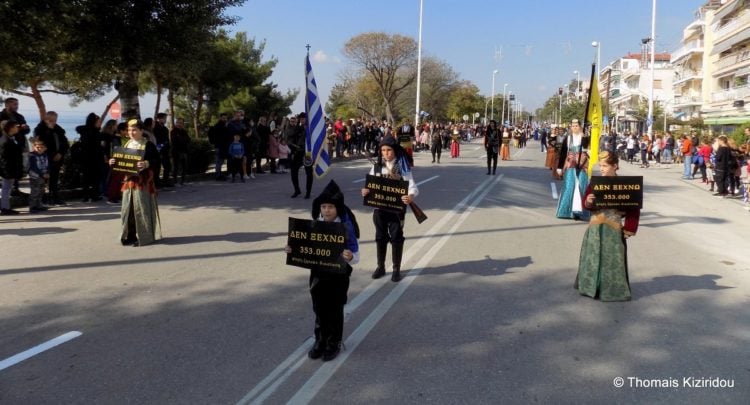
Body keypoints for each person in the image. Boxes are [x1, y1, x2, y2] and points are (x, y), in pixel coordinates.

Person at [285, 180, 359, 362]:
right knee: (319, 307)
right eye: (324, 206)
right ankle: (320, 340)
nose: (327, 210)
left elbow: (356, 255)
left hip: (338, 275)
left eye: (331, 207)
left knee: (334, 308)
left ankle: (333, 342)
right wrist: (292, 249)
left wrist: (349, 256)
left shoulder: (345, 228)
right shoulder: (314, 226)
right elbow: (304, 247)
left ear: (338, 209)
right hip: (318, 274)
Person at [575, 151, 640, 301]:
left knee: (612, 258)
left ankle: (612, 289)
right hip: (595, 226)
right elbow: (587, 201)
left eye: (605, 166)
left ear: (615, 166)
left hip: (613, 226)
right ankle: (591, 287)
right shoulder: (595, 182)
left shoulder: (625, 185)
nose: (602, 169)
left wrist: (630, 227)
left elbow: (634, 208)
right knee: (592, 255)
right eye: (601, 166)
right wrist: (589, 201)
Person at [360, 136, 419, 282]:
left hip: (396, 211)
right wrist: (365, 191)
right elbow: (370, 185)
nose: (386, 153)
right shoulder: (376, 166)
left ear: (395, 150)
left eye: (389, 150)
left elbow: (412, 187)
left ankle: (396, 269)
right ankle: (380, 266)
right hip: (379, 210)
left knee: (397, 238)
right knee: (380, 237)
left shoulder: (401, 167)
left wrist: (410, 197)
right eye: (383, 150)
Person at [109, 119, 161, 246]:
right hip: (128, 182)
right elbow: (121, 163)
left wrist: (146, 163)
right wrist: (112, 162)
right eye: (129, 130)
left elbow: (157, 161)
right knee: (128, 209)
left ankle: (145, 237)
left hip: (143, 182)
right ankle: (129, 235)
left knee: (142, 209)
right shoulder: (127, 145)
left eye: (134, 130)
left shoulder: (148, 145)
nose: (131, 132)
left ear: (141, 131)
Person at [555, 119, 590, 220]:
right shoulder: (568, 138)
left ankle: (581, 212)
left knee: (581, 185)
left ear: (580, 126)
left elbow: (587, 147)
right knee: (569, 186)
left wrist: (585, 136)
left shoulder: (585, 137)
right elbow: (563, 152)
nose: (574, 128)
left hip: (582, 164)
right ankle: (566, 211)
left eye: (576, 126)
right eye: (573, 126)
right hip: (570, 164)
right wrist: (560, 167)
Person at [33, 111, 69, 205]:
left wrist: (60, 153)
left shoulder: (58, 129)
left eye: (55, 120)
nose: (53, 122)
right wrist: (49, 130)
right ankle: (43, 199)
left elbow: (65, 143)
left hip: (57, 158)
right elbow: (40, 143)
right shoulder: (39, 129)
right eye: (51, 120)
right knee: (43, 180)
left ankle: (55, 197)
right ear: (46, 119)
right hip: (45, 158)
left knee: (54, 179)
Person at [0, 98, 30, 197]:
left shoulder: (19, 116)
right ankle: (7, 194)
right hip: (6, 146)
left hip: (18, 145)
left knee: (17, 166)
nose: (17, 106)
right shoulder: (1, 116)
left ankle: (15, 189)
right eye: (14, 104)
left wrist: (24, 128)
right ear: (7, 105)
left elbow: (27, 130)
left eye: (17, 104)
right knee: (7, 167)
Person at [77, 113, 104, 202]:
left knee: (87, 177)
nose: (100, 123)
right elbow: (95, 146)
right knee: (94, 177)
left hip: (85, 158)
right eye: (98, 121)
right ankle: (93, 195)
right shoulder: (94, 133)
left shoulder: (85, 131)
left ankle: (87, 195)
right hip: (93, 158)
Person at [0, 120, 23, 215]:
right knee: (6, 188)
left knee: (7, 188)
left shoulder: (11, 138)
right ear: (10, 128)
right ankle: (5, 208)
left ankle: (6, 207)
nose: (17, 127)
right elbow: (5, 159)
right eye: (15, 126)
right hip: (8, 169)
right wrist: (7, 171)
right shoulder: (5, 141)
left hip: (11, 168)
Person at [289, 112, 313, 198]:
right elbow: (291, 138)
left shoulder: (311, 129)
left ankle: (308, 192)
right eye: (300, 119)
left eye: (303, 119)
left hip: (307, 153)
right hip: (298, 152)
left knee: (309, 173)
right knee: (293, 172)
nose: (301, 120)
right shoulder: (297, 128)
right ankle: (297, 190)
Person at [27, 139, 50, 213]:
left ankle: (39, 205)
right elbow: (33, 167)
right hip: (35, 176)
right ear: (34, 147)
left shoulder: (45, 155)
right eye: (38, 147)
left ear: (45, 148)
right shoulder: (32, 155)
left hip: (43, 175)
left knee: (41, 191)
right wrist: (41, 174)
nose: (39, 149)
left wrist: (47, 172)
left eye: (41, 147)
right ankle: (32, 207)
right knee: (35, 192)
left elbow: (47, 165)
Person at [208, 113, 230, 181]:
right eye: (223, 118)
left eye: (225, 118)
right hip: (219, 146)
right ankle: (218, 176)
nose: (225, 119)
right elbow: (221, 135)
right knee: (219, 161)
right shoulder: (218, 126)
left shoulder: (223, 125)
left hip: (223, 146)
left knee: (220, 161)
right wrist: (225, 127)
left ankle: (219, 175)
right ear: (220, 118)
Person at [170, 118, 190, 186]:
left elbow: (188, 140)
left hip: (184, 151)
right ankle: (175, 181)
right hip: (176, 152)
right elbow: (175, 141)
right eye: (178, 122)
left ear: (183, 124)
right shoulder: (173, 131)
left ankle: (183, 181)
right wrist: (182, 140)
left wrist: (181, 139)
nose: (179, 124)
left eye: (181, 123)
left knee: (184, 167)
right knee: (176, 167)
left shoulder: (184, 131)